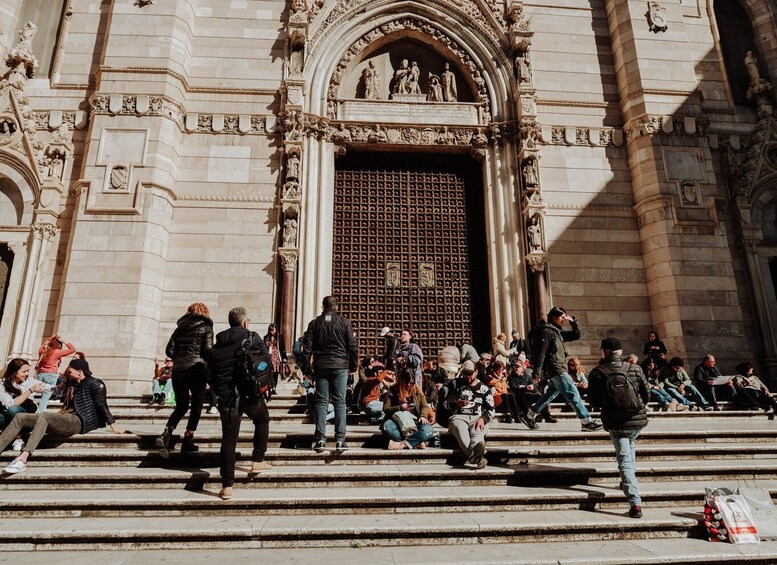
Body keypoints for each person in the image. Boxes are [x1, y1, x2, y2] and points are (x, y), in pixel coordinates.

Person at [0, 359, 124, 475]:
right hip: (64, 417)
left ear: (80, 372)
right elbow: (54, 394)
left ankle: (22, 459)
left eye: (70, 371)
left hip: (79, 420)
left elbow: (103, 406)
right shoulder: (71, 383)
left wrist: (114, 427)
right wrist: (63, 382)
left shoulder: (95, 383)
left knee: (45, 416)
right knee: (20, 417)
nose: (67, 373)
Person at [209, 307, 272, 501]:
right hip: (250, 394)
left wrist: (221, 392)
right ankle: (258, 460)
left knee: (229, 438)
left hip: (227, 398)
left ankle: (227, 486)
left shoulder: (217, 343)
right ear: (245, 322)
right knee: (262, 419)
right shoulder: (252, 337)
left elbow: (210, 373)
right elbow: (265, 362)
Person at [587, 338, 650, 519]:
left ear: (603, 351)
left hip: (615, 422)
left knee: (624, 461)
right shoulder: (635, 368)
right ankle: (626, 482)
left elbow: (593, 401)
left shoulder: (598, 372)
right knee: (629, 448)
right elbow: (646, 394)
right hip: (637, 420)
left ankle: (635, 503)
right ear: (620, 352)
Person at [522, 306, 602, 432]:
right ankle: (586, 422)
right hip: (556, 368)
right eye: (561, 317)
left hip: (559, 368)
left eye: (564, 317)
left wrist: (573, 321)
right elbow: (541, 353)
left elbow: (576, 335)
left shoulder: (557, 332)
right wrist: (536, 372)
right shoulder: (547, 332)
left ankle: (529, 416)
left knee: (550, 395)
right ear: (554, 317)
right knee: (573, 393)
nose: (563, 319)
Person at [302, 296, 358, 453]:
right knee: (340, 402)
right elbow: (352, 346)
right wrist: (353, 365)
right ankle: (340, 440)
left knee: (321, 402)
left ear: (323, 306)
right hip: (340, 366)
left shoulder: (315, 323)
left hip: (321, 367)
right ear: (336, 307)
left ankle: (320, 439)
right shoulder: (345, 322)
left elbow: (307, 350)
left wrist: (307, 370)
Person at [156, 302, 214, 458]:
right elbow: (208, 350)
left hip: (179, 369)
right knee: (196, 404)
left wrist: (181, 358)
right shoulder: (206, 327)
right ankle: (188, 438)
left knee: (181, 406)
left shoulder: (179, 329)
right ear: (205, 313)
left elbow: (169, 350)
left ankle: (167, 432)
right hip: (197, 369)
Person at [443, 360, 495, 469]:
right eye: (465, 373)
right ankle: (477, 457)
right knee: (460, 429)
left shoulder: (484, 389)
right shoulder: (454, 384)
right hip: (458, 417)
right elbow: (444, 404)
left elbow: (491, 409)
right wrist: (456, 404)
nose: (467, 377)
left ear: (476, 372)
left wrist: (483, 419)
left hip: (477, 417)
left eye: (470, 374)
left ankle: (474, 456)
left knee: (477, 431)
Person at [0, 359, 48, 452]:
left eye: (28, 371)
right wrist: (30, 391)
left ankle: (18, 438)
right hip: (8, 415)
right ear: (14, 372)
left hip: (26, 415)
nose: (26, 374)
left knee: (14, 411)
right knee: (9, 411)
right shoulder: (2, 385)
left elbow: (49, 388)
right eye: (24, 371)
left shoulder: (30, 381)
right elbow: (10, 404)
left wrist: (62, 383)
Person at [381, 368, 434, 450]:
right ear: (401, 381)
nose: (409, 385)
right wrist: (400, 407)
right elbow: (386, 408)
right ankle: (416, 441)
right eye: (406, 383)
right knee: (389, 430)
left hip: (415, 420)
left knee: (428, 430)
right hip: (396, 421)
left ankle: (402, 444)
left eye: (411, 383)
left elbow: (424, 406)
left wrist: (423, 416)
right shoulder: (392, 391)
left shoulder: (417, 391)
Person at [35, 334, 76, 413]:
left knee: (43, 395)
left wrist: (50, 338)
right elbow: (72, 349)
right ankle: (40, 413)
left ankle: (39, 409)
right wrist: (63, 341)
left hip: (41, 375)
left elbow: (44, 344)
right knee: (45, 396)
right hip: (51, 376)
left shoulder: (43, 350)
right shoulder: (57, 352)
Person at [264, 323, 287, 392]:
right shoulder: (266, 337)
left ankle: (274, 387)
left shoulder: (279, 337)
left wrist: (284, 357)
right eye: (271, 330)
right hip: (269, 357)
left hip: (277, 357)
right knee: (270, 372)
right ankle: (272, 386)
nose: (272, 332)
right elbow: (264, 348)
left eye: (273, 330)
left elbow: (283, 348)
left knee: (276, 373)